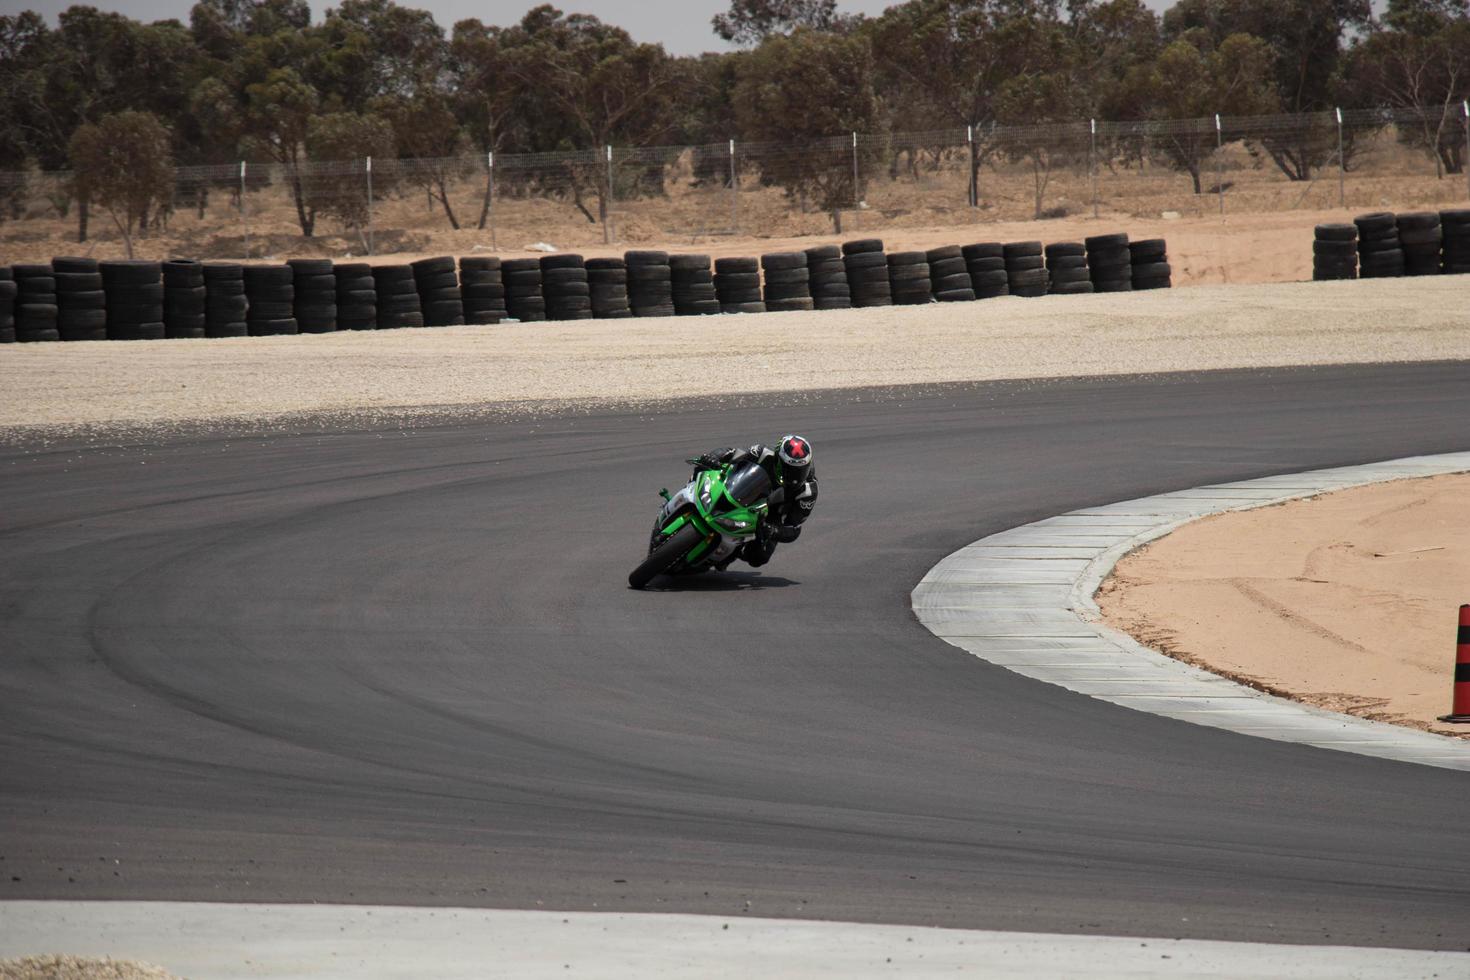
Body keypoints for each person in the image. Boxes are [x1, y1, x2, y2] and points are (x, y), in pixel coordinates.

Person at [690, 434, 818, 568]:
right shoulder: (762, 453)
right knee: (702, 467)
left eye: (799, 470)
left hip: (772, 513)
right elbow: (731, 453)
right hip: (744, 489)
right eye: (789, 469)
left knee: (759, 557)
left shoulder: (808, 492)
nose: (794, 476)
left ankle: (731, 552)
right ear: (778, 459)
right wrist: (714, 457)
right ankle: (689, 494)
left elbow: (794, 528)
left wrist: (773, 530)